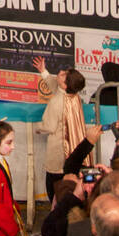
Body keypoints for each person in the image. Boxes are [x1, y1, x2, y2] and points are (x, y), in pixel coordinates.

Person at [34, 59, 89, 199]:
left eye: (64, 75)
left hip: (59, 151)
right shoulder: (74, 95)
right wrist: (43, 72)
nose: (61, 72)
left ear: (66, 85)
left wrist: (36, 127)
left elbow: (49, 126)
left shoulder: (56, 102)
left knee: (55, 189)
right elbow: (56, 88)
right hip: (74, 149)